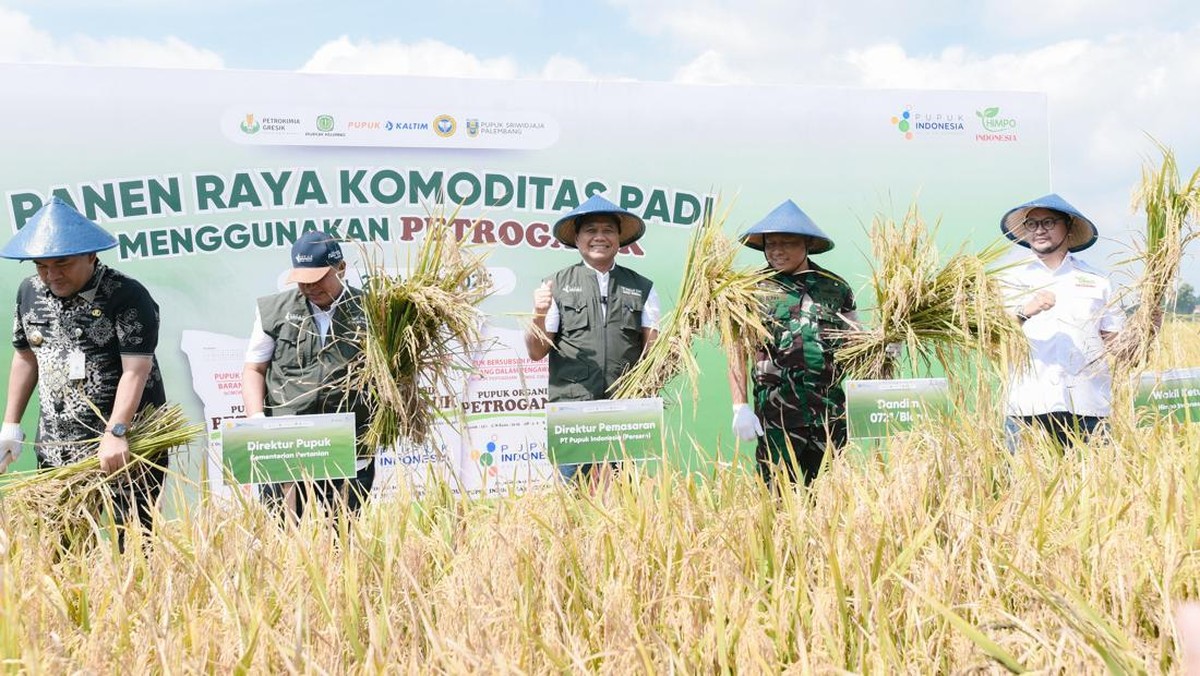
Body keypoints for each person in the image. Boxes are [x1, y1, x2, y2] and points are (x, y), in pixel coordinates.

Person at [0, 197, 168, 534]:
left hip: (125, 444)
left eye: (62, 264)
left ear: (91, 255)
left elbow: (137, 369)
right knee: (64, 544)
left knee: (135, 541)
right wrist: (11, 425)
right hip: (59, 445)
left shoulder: (127, 295)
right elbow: (25, 355)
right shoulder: (29, 292)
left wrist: (117, 432)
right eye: (41, 266)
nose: (52, 275)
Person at [525, 193, 660, 481]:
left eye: (608, 230)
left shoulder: (642, 287)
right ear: (577, 238)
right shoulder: (555, 285)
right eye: (591, 230)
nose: (600, 237)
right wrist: (538, 312)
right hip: (574, 414)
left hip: (625, 411)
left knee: (626, 499)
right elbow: (536, 352)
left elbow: (654, 353)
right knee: (571, 497)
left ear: (619, 238)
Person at [242, 231, 375, 517]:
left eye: (317, 279)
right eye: (302, 280)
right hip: (287, 445)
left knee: (343, 539)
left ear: (341, 269)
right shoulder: (274, 311)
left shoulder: (373, 310)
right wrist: (256, 421)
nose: (309, 287)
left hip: (349, 447)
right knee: (284, 539)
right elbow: (254, 368)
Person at [727, 199, 857, 485]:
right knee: (777, 498)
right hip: (778, 416)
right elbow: (737, 349)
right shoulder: (750, 290)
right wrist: (740, 406)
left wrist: (884, 344)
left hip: (829, 415)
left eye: (787, 243)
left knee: (829, 499)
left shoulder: (835, 287)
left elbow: (854, 341)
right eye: (771, 244)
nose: (777, 251)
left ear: (807, 244)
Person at [999, 193, 1124, 448]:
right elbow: (992, 336)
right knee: (1023, 486)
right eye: (1031, 224)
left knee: (1096, 485)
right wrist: (1025, 311)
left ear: (1068, 227)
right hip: (1027, 408)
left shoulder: (1098, 281)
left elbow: (1120, 348)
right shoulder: (1009, 280)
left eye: (1048, 222)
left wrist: (1149, 327)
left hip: (1089, 408)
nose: (1039, 230)